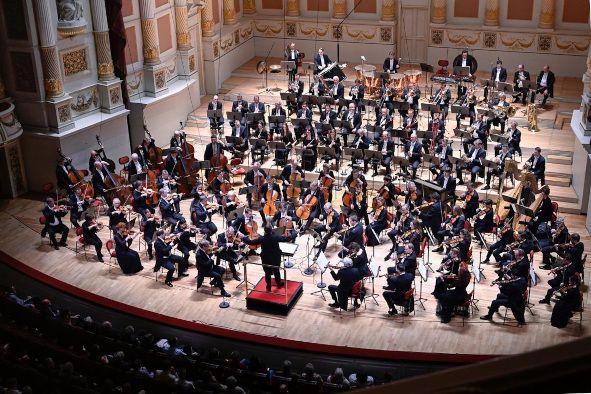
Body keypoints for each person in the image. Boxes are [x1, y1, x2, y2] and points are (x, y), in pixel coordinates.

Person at [240, 225, 297, 291]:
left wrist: (243, 237)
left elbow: (251, 242)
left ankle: (268, 287)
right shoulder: (275, 237)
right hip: (275, 257)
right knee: (276, 271)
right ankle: (278, 284)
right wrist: (294, 233)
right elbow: (287, 238)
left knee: (267, 273)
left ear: (265, 231)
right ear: (271, 230)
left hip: (265, 258)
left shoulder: (262, 238)